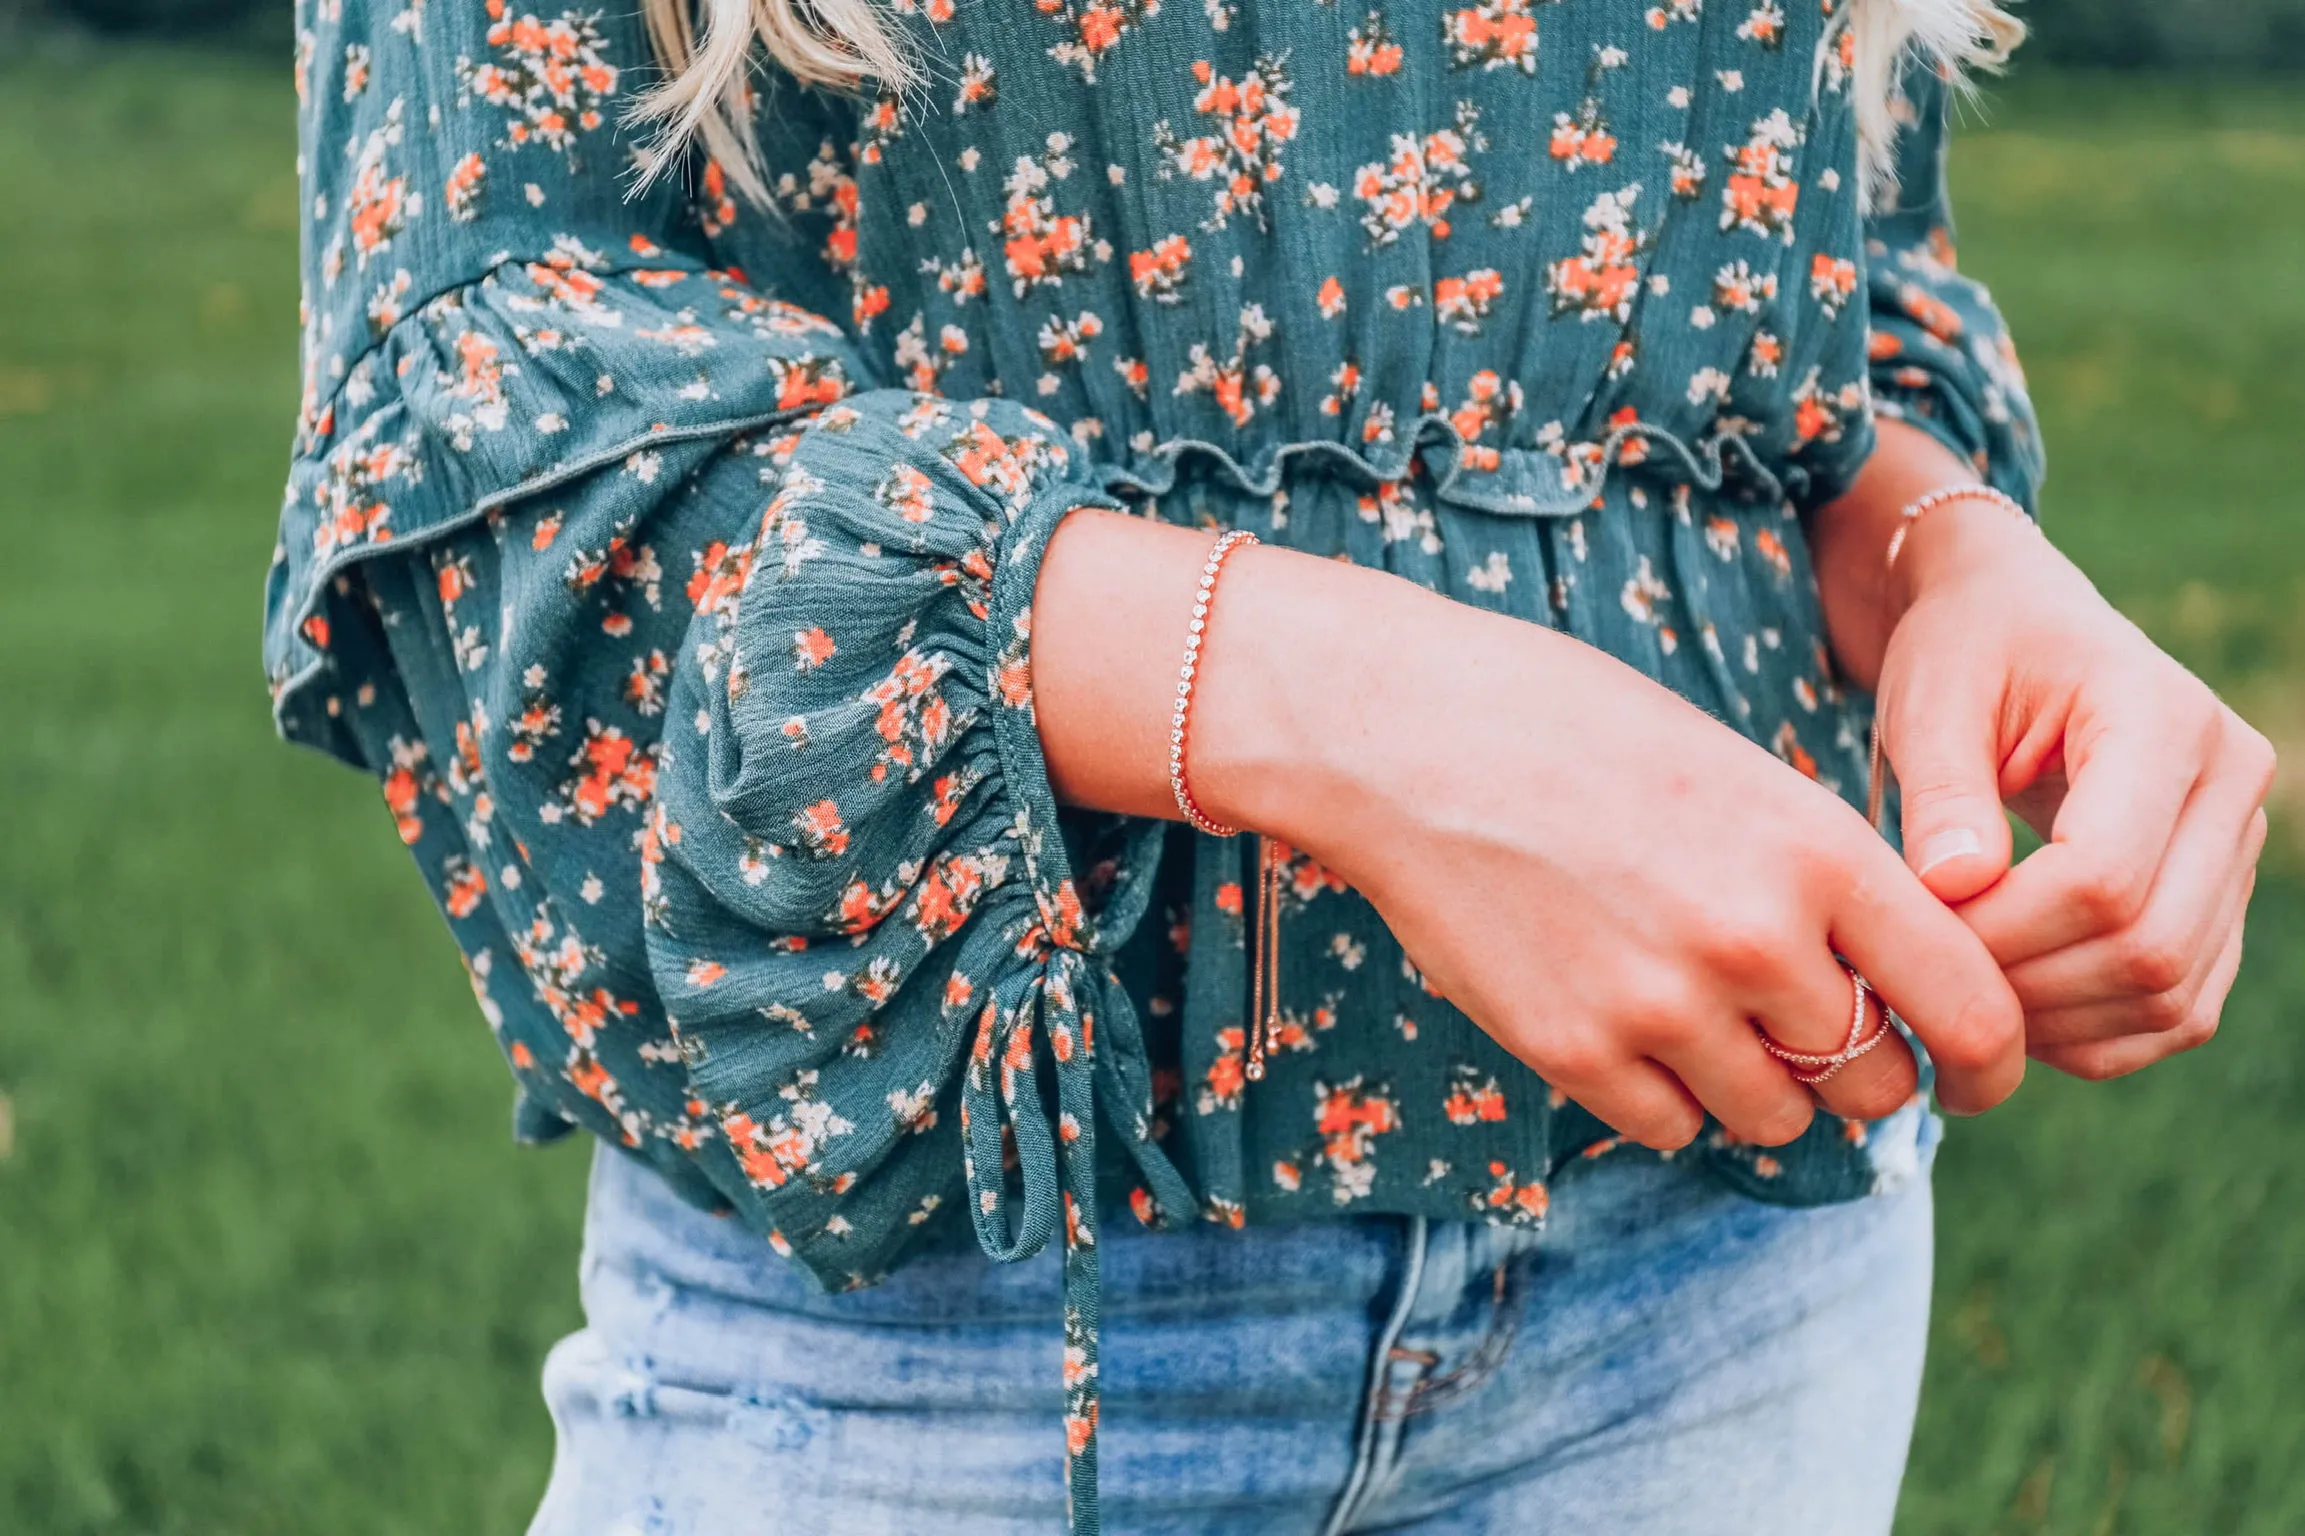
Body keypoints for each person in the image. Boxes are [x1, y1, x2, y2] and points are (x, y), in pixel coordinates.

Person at [263, 0, 2273, 1528]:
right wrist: (1387, 725)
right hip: (955, 1333)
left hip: (1732, 1285)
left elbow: (1820, 307)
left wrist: (1952, 555)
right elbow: (486, 427)